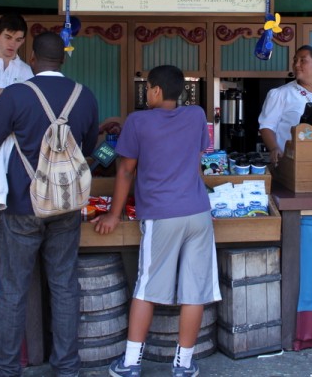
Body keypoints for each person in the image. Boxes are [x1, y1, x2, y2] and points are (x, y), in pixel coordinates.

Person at [0, 31, 99, 377]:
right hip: (66, 205)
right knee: (64, 286)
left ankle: (6, 369)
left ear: (32, 59)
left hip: (21, 204)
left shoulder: (16, 94)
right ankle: (67, 367)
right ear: (62, 59)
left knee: (13, 290)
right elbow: (89, 147)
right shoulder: (84, 96)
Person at [94, 64, 221, 377]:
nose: (146, 93)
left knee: (147, 288)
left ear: (156, 90)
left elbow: (125, 170)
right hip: (198, 213)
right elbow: (196, 160)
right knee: (195, 291)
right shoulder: (196, 115)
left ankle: (131, 363)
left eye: (148, 87)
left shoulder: (138, 121)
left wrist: (113, 214)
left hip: (161, 216)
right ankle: (184, 365)